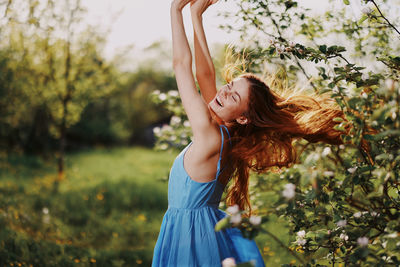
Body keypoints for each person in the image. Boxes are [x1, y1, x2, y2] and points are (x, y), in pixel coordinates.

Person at [152, 0, 373, 266]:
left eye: (234, 96)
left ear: (243, 117)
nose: (223, 91)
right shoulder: (225, 133)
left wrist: (176, 9)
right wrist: (196, 15)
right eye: (230, 85)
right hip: (200, 233)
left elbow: (181, 66)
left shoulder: (210, 135)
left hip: (189, 239)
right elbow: (205, 74)